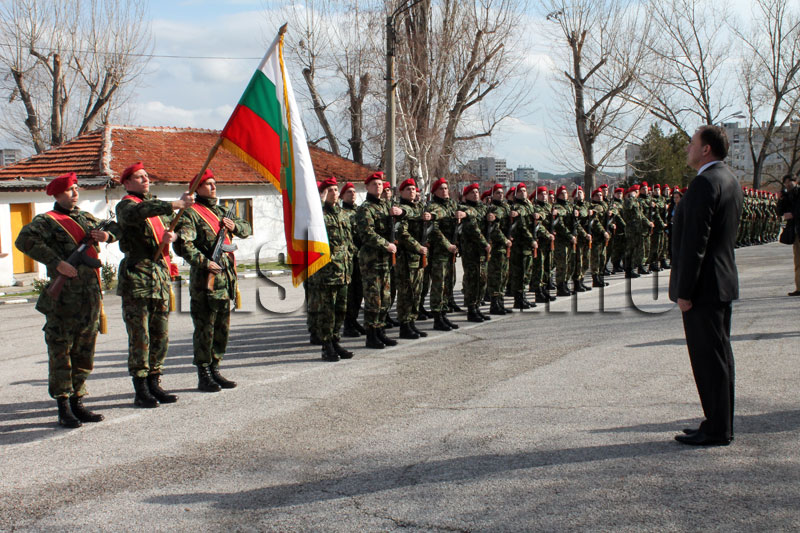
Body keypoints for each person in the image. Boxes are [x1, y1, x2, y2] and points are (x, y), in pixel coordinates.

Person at [15, 172, 120, 428]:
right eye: (69, 190)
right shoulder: (47, 221)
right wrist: (57, 263)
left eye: (76, 189)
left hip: (90, 297)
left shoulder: (85, 218)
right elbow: (23, 240)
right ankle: (63, 406)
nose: (75, 194)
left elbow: (116, 229)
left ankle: (78, 400)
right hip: (65, 298)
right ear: (57, 194)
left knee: (84, 351)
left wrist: (107, 237)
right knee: (62, 352)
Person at [669, 125, 742, 446]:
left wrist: (684, 291)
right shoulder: (729, 179)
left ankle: (717, 429)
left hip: (704, 287)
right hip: (721, 281)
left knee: (708, 359)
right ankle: (718, 422)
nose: (688, 148)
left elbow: (695, 243)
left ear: (706, 150)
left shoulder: (704, 183)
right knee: (720, 356)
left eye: (692, 144)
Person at [116, 161, 194, 408]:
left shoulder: (157, 208)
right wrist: (174, 203)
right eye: (138, 177)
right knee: (141, 335)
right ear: (127, 183)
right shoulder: (127, 205)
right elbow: (142, 211)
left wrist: (176, 236)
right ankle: (140, 389)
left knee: (160, 334)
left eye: (146, 176)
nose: (145, 179)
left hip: (159, 275)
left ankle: (155, 382)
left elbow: (182, 226)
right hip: (138, 276)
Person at [174, 169, 253, 384]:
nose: (213, 187)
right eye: (208, 183)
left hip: (225, 280)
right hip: (204, 281)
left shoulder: (221, 211)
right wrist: (205, 262)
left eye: (214, 183)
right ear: (197, 188)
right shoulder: (191, 213)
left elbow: (246, 229)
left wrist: (234, 225)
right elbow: (184, 245)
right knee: (204, 328)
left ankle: (216, 367)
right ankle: (204, 373)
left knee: (221, 328)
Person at [303, 177, 355, 361]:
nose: (334, 193)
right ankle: (326, 346)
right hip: (326, 273)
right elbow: (309, 228)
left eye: (335, 189)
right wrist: (319, 202)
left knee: (341, 309)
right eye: (329, 190)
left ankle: (335, 341)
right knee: (327, 311)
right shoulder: (317, 214)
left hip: (343, 271)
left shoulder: (342, 214)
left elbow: (348, 240)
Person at [355, 172, 404, 348]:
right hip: (371, 260)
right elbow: (367, 233)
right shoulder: (365, 208)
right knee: (373, 299)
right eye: (374, 184)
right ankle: (371, 334)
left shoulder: (386, 206)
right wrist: (386, 244)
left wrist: (401, 212)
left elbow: (402, 219)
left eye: (380, 184)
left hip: (385, 260)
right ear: (367, 187)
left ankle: (381, 330)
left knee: (385, 297)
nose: (378, 187)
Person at [778, 173, 800, 296]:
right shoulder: (787, 196)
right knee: (797, 261)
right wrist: (780, 199)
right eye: (785, 182)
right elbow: (780, 211)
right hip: (795, 232)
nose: (787, 184)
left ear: (795, 181)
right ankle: (799, 288)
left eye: (789, 182)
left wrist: (793, 214)